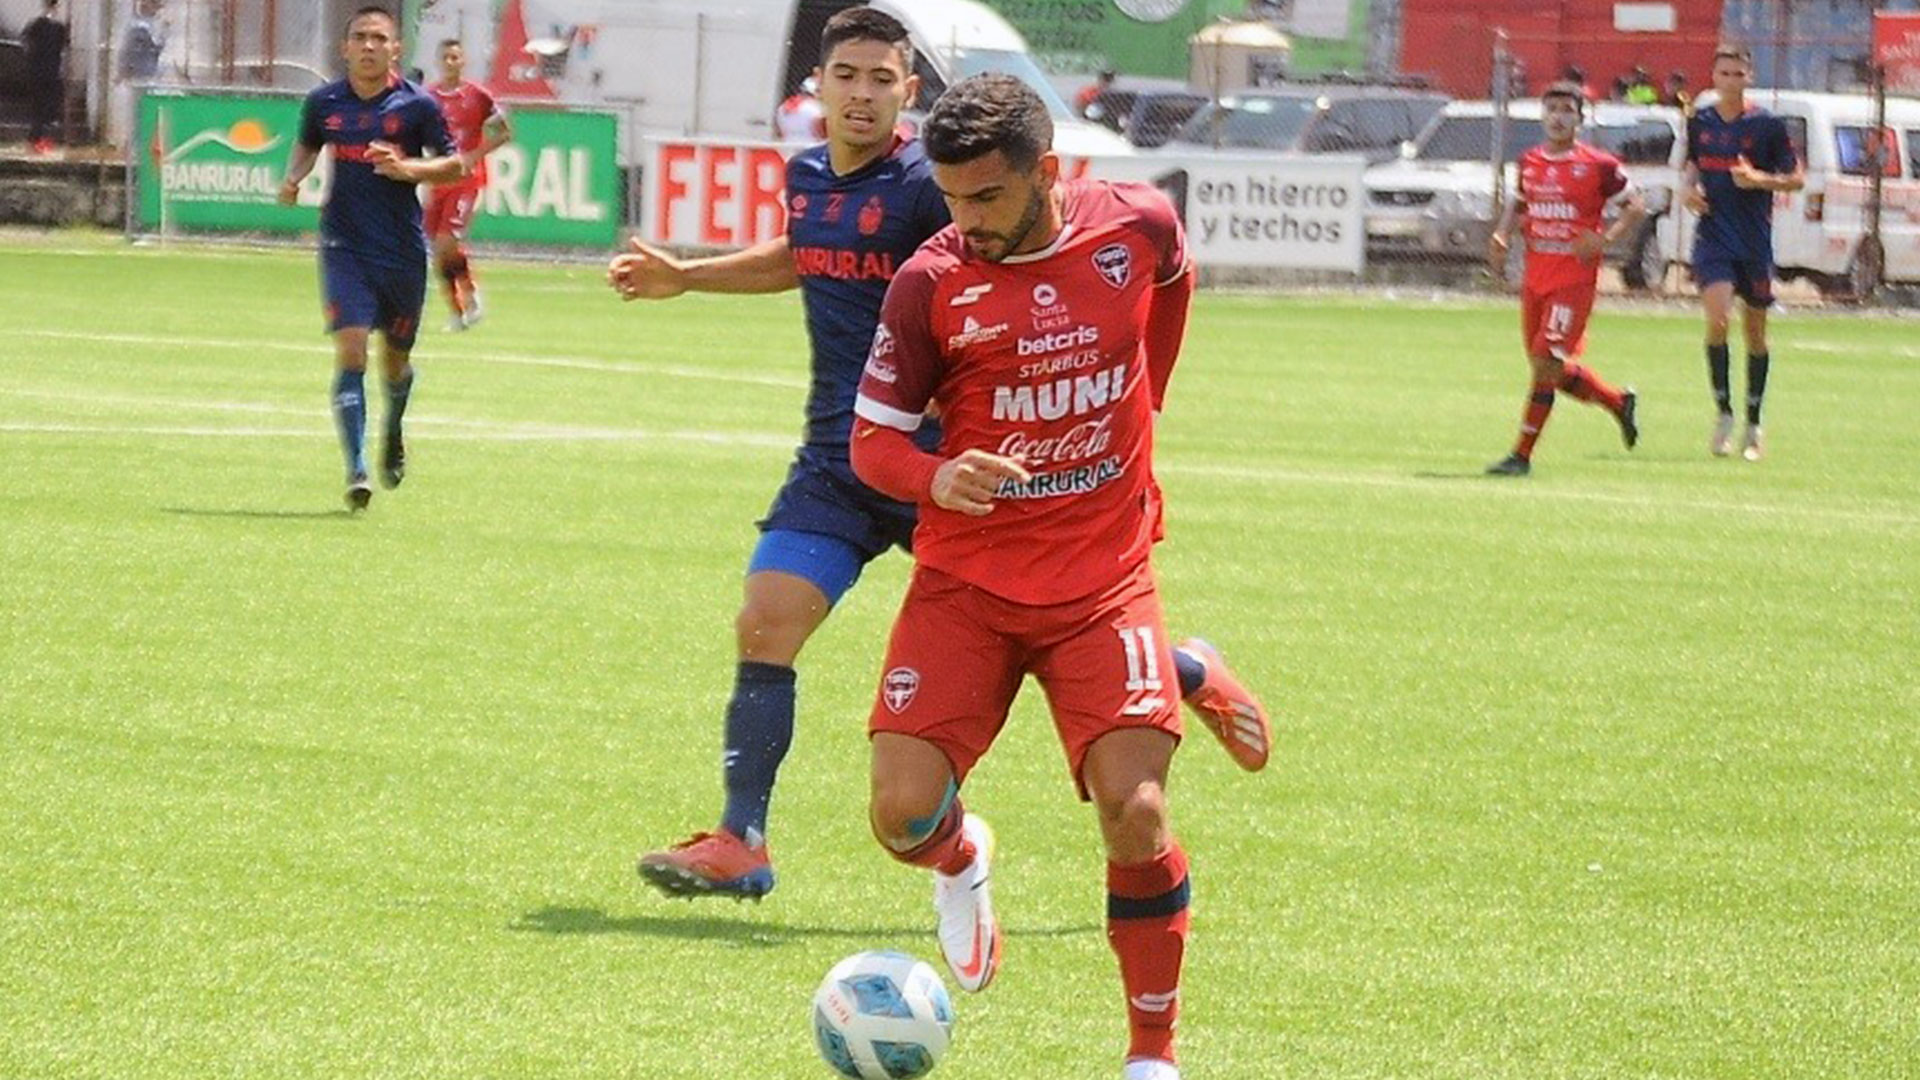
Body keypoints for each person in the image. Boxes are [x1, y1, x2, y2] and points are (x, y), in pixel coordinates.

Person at [611, 11, 1269, 904]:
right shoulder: (809, 178)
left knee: (1036, 625)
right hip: (844, 458)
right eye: (846, 75)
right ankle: (743, 839)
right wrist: (689, 276)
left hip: (961, 476)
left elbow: (1037, 270)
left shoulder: (939, 187)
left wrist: (1126, 399)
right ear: (820, 85)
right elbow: (805, 258)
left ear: (907, 94)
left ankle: (1178, 668)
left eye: (882, 79)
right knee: (766, 620)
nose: (861, 93)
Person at [848, 72, 1208, 1080]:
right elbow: (871, 444)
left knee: (1134, 813)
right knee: (899, 816)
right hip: (967, 585)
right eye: (951, 198)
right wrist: (936, 472)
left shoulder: (1134, 225)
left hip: (1102, 577)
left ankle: (1151, 1056)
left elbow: (1175, 276)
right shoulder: (930, 281)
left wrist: (1151, 398)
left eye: (987, 199)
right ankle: (963, 860)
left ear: (1047, 173)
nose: (965, 221)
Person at [277, 6, 463, 510]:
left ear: (395, 49)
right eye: (359, 37)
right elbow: (308, 146)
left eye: (379, 38)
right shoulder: (323, 102)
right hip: (344, 247)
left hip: (402, 253)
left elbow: (455, 164)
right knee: (352, 349)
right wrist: (294, 176)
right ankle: (356, 468)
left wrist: (407, 169)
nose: (368, 46)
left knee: (394, 364)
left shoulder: (417, 106)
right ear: (345, 48)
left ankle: (394, 428)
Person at [1484, 82, 1645, 477]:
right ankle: (1616, 402)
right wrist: (1504, 232)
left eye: (1566, 110)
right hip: (1536, 276)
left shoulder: (1598, 165)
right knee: (1548, 368)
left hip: (1572, 282)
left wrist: (1604, 238)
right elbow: (1519, 202)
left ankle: (1521, 455)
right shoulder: (1530, 160)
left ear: (1579, 118)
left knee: (1545, 365)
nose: (1558, 117)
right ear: (1542, 115)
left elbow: (1637, 205)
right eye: (1551, 109)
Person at [1682, 45, 1802, 461]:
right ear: (1713, 77)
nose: (1730, 80)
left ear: (1748, 77)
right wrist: (1688, 190)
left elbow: (1796, 179)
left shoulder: (1767, 126)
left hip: (1753, 241)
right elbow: (1692, 165)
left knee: (1755, 335)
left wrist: (1758, 179)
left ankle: (1753, 423)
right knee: (1717, 320)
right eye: (1723, 73)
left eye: (1738, 74)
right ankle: (1724, 414)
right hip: (1714, 237)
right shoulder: (1700, 122)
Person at [427, 38, 511, 331]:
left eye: (456, 57)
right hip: (439, 180)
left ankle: (470, 299)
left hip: (466, 181)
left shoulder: (479, 96)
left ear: (463, 62)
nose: (451, 62)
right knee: (441, 251)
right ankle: (459, 310)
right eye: (446, 57)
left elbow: (503, 133)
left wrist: (475, 155)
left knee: (445, 242)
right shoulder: (428, 97)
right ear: (439, 61)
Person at [114, 0, 167, 149]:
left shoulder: (147, 25)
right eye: (155, 5)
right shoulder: (140, 27)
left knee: (141, 111)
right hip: (142, 75)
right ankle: (135, 145)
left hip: (147, 74)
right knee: (139, 111)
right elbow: (133, 50)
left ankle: (138, 143)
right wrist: (123, 70)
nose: (157, 9)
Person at [23, 0, 68, 155]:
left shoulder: (38, 25)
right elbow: (64, 47)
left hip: (41, 71)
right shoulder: (55, 27)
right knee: (45, 109)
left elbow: (27, 43)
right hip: (48, 72)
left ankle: (37, 140)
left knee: (42, 108)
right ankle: (39, 141)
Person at [775, 75, 826, 142]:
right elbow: (820, 132)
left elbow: (780, 132)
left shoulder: (783, 107)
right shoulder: (815, 108)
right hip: (811, 146)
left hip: (787, 146)